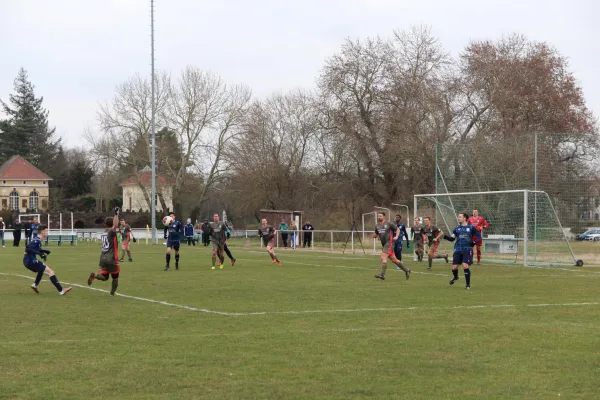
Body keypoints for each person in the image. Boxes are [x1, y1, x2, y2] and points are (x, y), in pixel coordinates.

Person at [24, 225, 72, 295]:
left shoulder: (37, 240)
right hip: (30, 261)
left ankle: (35, 285)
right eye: (46, 231)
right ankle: (61, 290)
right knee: (50, 272)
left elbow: (35, 249)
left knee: (42, 269)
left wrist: (44, 251)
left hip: (29, 261)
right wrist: (40, 254)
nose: (47, 232)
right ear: (42, 232)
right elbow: (27, 249)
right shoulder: (36, 240)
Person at [88, 208, 121, 295]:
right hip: (112, 258)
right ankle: (112, 292)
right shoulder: (111, 232)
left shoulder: (104, 232)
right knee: (115, 277)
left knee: (105, 277)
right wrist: (116, 214)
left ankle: (95, 275)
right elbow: (115, 226)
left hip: (103, 257)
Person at [446, 212, 482, 290]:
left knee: (465, 265)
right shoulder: (457, 228)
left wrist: (474, 242)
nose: (458, 218)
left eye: (460, 217)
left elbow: (479, 237)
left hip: (467, 249)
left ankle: (467, 285)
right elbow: (452, 238)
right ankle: (456, 277)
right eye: (458, 217)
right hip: (457, 249)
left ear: (465, 218)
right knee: (454, 268)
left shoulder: (471, 227)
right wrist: (445, 237)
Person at [373, 212, 411, 280]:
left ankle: (382, 275)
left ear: (384, 217)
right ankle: (407, 270)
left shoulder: (389, 223)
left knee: (383, 257)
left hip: (390, 243)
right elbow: (375, 234)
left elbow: (398, 229)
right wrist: (374, 235)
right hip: (385, 244)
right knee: (395, 260)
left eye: (380, 216)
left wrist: (396, 236)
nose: (379, 217)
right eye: (378, 216)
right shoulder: (377, 225)